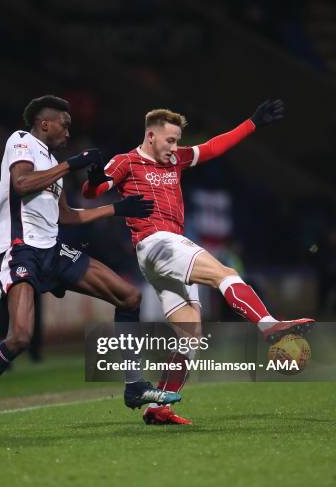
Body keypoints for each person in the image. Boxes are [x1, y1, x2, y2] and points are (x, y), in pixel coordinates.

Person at [0, 95, 180, 436]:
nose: (69, 132)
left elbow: (67, 215)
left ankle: (134, 385)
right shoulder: (21, 141)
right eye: (64, 124)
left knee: (128, 297)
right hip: (22, 250)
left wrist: (118, 208)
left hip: (54, 251)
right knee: (20, 337)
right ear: (44, 123)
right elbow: (22, 184)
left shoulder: (52, 163)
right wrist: (71, 165)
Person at [82, 100, 314, 425]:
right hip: (156, 242)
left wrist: (252, 123)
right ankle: (269, 327)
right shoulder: (126, 161)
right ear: (151, 136)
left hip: (163, 253)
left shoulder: (175, 160)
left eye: (178, 141)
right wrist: (93, 180)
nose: (175, 147)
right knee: (226, 273)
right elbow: (95, 190)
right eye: (170, 140)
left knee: (190, 334)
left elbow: (213, 148)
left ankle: (158, 408)